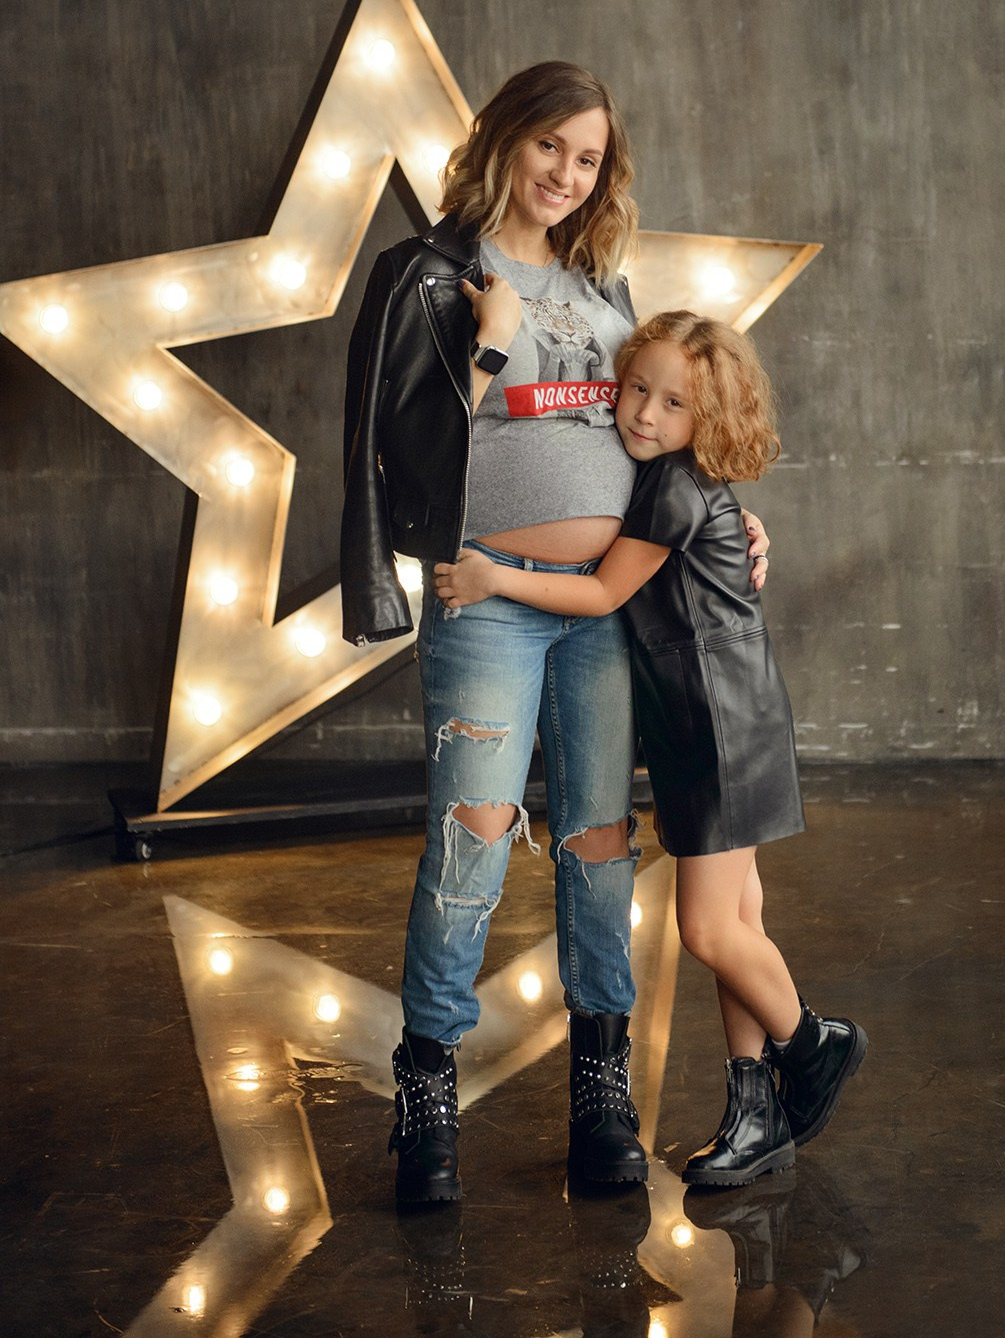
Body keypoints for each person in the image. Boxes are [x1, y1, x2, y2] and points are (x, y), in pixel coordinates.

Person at [339, 62, 771, 1203]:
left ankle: (601, 1085)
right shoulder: (427, 273)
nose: (566, 178)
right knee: (472, 838)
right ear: (503, 140)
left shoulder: (602, 280)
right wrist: (490, 341)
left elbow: (657, 431)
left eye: (587, 161)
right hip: (488, 597)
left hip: (601, 608)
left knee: (594, 842)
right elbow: (398, 438)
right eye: (550, 150)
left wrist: (720, 515)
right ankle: (426, 1093)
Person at [435, 310, 868, 1187]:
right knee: (740, 922)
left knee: (708, 928)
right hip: (703, 715)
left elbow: (597, 592)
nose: (644, 415)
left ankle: (813, 1043)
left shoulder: (673, 484)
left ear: (706, 421)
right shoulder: (665, 478)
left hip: (719, 723)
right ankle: (755, 1114)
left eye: (674, 405)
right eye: (637, 389)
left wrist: (486, 569)